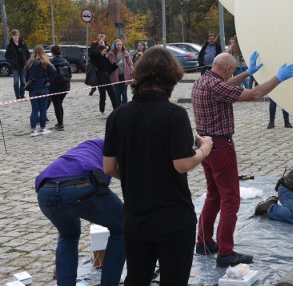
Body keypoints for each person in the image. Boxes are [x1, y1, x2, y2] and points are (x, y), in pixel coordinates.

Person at [103, 46, 214, 285]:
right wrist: (204, 149)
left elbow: (108, 167)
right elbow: (182, 164)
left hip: (136, 218)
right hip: (172, 219)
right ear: (171, 79)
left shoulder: (117, 116)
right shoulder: (175, 115)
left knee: (137, 278)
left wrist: (138, 175)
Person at [191, 51, 293, 267]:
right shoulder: (216, 86)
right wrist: (279, 77)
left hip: (205, 144)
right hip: (221, 146)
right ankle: (225, 252)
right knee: (231, 199)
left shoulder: (203, 81)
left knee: (213, 195)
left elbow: (227, 85)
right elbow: (254, 94)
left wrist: (248, 72)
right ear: (228, 68)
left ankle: (203, 242)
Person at [36, 138, 125, 286]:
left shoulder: (90, 145)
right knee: (122, 227)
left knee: (68, 236)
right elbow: (114, 170)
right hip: (80, 185)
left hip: (45, 190)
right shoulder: (119, 148)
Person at [26, 45, 56, 137]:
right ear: (43, 52)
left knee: (34, 110)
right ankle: (43, 129)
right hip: (43, 88)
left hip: (33, 88)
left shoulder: (29, 63)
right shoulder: (45, 62)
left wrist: (28, 81)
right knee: (43, 110)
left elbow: (26, 75)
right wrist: (49, 81)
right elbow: (54, 71)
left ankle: (33, 130)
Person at [89, 44, 118, 114]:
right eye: (104, 51)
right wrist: (99, 45)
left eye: (106, 51)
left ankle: (116, 109)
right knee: (102, 95)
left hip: (107, 78)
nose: (105, 52)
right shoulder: (96, 58)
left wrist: (115, 65)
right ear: (100, 51)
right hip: (100, 78)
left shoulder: (106, 59)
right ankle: (102, 110)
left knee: (113, 94)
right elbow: (92, 54)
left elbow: (110, 70)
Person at [49, 45, 72, 131]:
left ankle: (60, 124)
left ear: (52, 52)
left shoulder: (51, 62)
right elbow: (70, 74)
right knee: (59, 104)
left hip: (55, 87)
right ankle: (60, 122)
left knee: (57, 105)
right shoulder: (65, 61)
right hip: (65, 86)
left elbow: (49, 74)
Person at [5, 29, 30, 99]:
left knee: (23, 81)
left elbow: (27, 53)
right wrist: (12, 62)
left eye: (17, 35)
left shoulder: (23, 43)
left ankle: (22, 94)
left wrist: (27, 60)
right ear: (12, 36)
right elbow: (7, 56)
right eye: (15, 35)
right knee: (16, 81)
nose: (16, 37)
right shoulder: (10, 45)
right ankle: (17, 95)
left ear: (19, 35)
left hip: (23, 65)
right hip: (15, 66)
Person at [107, 39, 133, 106]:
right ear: (115, 45)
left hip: (124, 75)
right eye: (117, 44)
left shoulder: (125, 52)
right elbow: (108, 65)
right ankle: (118, 108)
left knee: (124, 93)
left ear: (122, 45)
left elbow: (130, 63)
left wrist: (131, 71)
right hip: (115, 76)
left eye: (120, 44)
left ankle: (125, 108)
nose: (119, 46)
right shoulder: (110, 53)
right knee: (117, 93)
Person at [88, 32, 109, 96]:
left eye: (103, 36)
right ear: (98, 37)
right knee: (94, 76)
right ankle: (93, 88)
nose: (101, 37)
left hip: (103, 62)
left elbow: (109, 50)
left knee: (102, 77)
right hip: (95, 62)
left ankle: (102, 89)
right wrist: (98, 46)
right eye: (100, 36)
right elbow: (91, 51)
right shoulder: (94, 43)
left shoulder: (106, 43)